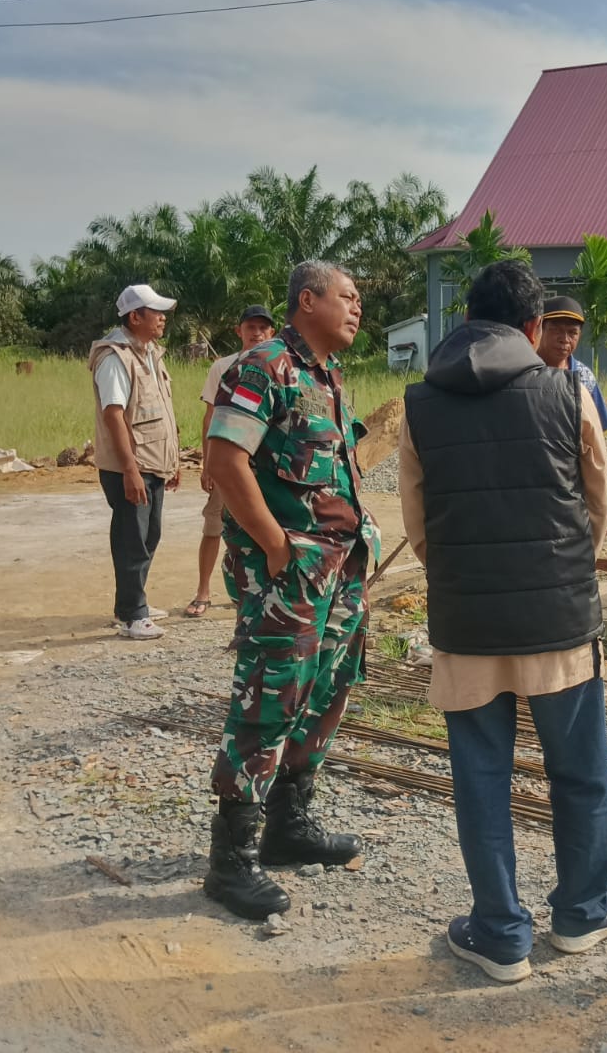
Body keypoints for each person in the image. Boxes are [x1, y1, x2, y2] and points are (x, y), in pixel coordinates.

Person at [398, 261, 607, 985]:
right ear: (533, 329)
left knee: (480, 779)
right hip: (559, 623)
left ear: (463, 319)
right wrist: (564, 566)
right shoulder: (568, 392)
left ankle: (501, 935)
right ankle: (581, 911)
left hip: (466, 626)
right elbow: (599, 505)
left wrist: (468, 577)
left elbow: (418, 525)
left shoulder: (418, 403)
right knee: (581, 775)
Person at [200, 261, 381, 921]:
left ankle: (287, 825)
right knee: (269, 699)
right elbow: (224, 463)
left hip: (339, 572)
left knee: (326, 692)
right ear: (307, 301)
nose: (358, 308)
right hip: (291, 577)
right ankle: (231, 862)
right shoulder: (264, 367)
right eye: (347, 297)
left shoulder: (326, 377)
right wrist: (276, 546)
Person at [89, 284, 182, 640]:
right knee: (132, 538)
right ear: (135, 316)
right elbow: (114, 414)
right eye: (155, 312)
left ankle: (133, 601)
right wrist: (130, 470)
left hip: (152, 462)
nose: (162, 318)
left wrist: (171, 463)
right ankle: (132, 615)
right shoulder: (115, 357)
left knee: (148, 535)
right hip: (131, 466)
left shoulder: (149, 353)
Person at [186, 305, 278, 618]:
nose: (257, 333)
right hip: (228, 463)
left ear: (272, 333)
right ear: (238, 331)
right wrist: (207, 464)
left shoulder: (279, 368)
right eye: (250, 327)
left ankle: (262, 589)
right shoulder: (223, 367)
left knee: (264, 526)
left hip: (264, 466)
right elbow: (210, 417)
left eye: (263, 328)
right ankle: (203, 591)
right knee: (214, 526)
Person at [536, 296, 607, 436]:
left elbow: (597, 431)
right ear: (539, 329)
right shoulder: (526, 370)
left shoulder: (584, 377)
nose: (564, 339)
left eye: (572, 333)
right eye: (556, 330)